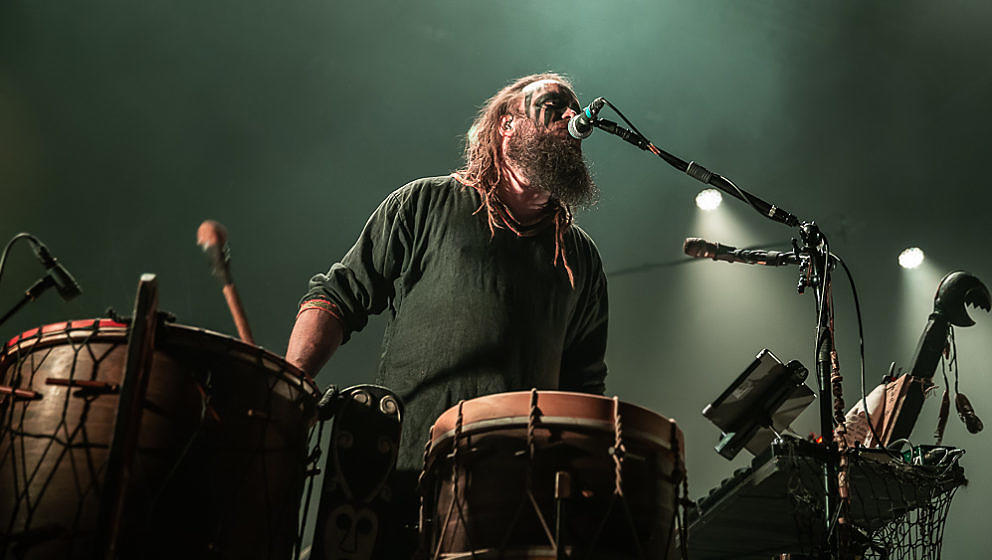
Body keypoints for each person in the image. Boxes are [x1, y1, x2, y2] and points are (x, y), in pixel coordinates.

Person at [286, 72, 609, 555]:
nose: (570, 116)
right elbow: (337, 296)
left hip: (519, 503)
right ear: (507, 123)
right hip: (402, 478)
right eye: (553, 105)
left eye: (573, 109)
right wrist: (287, 390)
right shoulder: (425, 203)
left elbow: (584, 389)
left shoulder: (579, 259)